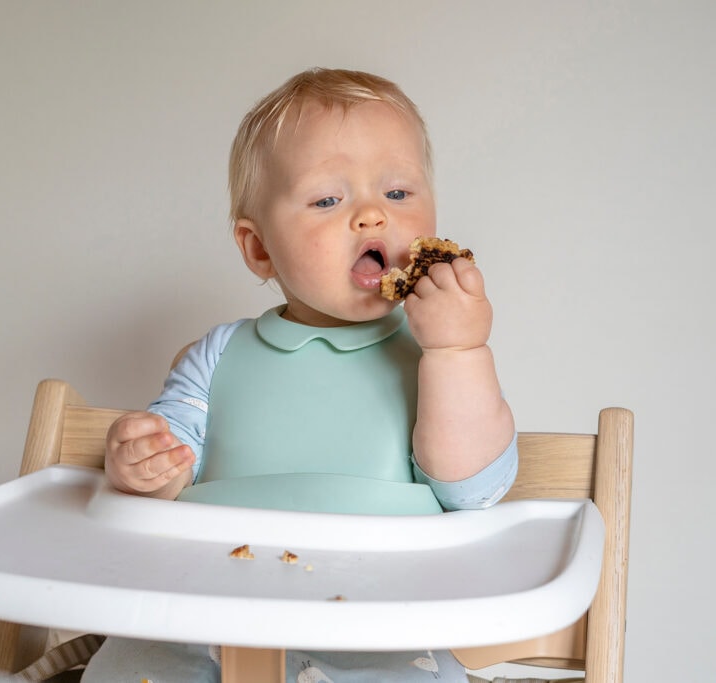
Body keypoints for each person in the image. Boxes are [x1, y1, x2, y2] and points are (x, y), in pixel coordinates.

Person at [84, 68, 518, 683]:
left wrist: (458, 351)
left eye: (397, 194)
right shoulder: (218, 355)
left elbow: (471, 490)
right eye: (326, 199)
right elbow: (169, 467)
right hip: (207, 618)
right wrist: (145, 465)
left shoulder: (435, 357)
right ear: (259, 248)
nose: (371, 216)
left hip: (379, 630)